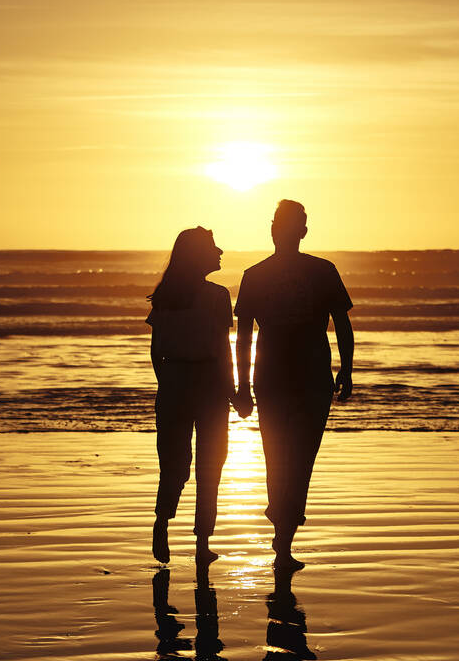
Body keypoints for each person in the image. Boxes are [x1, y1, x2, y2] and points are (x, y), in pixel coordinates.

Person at [233, 200, 354, 570]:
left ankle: (282, 534)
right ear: (299, 230)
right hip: (292, 376)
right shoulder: (316, 271)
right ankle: (284, 538)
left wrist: (241, 386)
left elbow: (242, 339)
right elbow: (242, 337)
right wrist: (346, 369)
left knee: (284, 457)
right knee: (295, 459)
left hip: (289, 376)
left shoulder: (262, 274)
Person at [146, 226, 235, 564]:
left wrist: (168, 383)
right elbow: (221, 350)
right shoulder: (217, 295)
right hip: (209, 382)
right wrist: (235, 391)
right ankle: (201, 543)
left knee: (174, 464)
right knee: (210, 465)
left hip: (174, 382)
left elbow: (156, 352)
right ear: (198, 255)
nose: (220, 251)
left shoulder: (166, 296)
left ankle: (162, 522)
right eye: (213, 246)